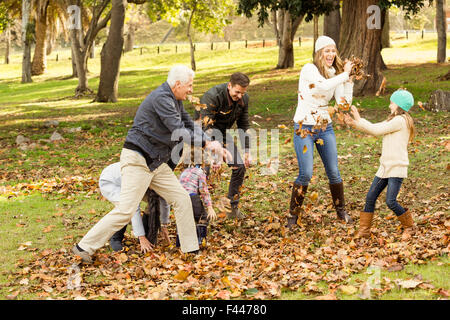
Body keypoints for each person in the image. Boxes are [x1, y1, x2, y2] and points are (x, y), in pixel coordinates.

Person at [72, 65, 227, 263]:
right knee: (126, 210)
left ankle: (190, 249)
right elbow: (177, 129)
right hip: (138, 160)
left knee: (181, 198)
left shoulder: (175, 100)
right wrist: (207, 144)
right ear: (177, 84)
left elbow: (189, 125)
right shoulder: (161, 98)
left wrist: (210, 144)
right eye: (189, 85)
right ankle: (83, 247)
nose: (191, 89)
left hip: (156, 162)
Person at [288, 35, 354, 229]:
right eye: (327, 50)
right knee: (306, 173)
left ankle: (341, 212)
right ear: (319, 53)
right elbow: (323, 85)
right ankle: (293, 216)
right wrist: (344, 74)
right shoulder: (309, 69)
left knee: (334, 171)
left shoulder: (336, 73)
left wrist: (349, 81)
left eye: (333, 50)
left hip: (325, 127)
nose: (331, 54)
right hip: (304, 128)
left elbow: (343, 104)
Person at [344, 89, 417, 241]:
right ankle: (364, 231)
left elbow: (376, 130)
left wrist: (357, 118)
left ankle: (409, 227)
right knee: (370, 197)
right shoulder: (393, 120)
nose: (389, 106)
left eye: (392, 103)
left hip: (396, 168)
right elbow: (374, 127)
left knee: (390, 201)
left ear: (399, 105)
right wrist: (355, 123)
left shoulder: (400, 121)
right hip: (385, 168)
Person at [195, 72, 252, 219]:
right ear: (229, 86)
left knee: (239, 166)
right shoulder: (212, 96)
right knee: (202, 173)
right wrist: (215, 154)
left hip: (222, 134)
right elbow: (206, 127)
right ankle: (198, 211)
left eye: (243, 93)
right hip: (202, 135)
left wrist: (247, 150)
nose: (240, 96)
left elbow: (243, 126)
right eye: (237, 92)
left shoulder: (243, 99)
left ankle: (232, 208)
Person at [98, 162, 170, 253]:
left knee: (156, 200)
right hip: (111, 182)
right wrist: (142, 238)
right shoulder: (138, 180)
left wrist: (164, 225)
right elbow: (134, 208)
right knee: (126, 208)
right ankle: (116, 238)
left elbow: (164, 199)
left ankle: (146, 232)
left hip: (130, 178)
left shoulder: (159, 177)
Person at [176, 146, 217, 247]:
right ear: (202, 160)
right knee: (202, 217)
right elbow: (203, 190)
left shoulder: (183, 172)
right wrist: (210, 207)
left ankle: (180, 242)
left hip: (179, 199)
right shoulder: (200, 172)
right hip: (192, 198)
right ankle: (200, 240)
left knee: (183, 220)